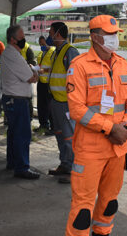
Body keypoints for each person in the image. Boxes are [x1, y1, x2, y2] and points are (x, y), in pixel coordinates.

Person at [65, 15, 127, 236]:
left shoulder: (123, 64)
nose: (114, 38)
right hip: (90, 150)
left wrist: (126, 127)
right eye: (109, 34)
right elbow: (77, 109)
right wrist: (110, 128)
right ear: (95, 37)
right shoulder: (78, 66)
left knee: (109, 204)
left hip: (118, 149)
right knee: (82, 212)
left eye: (115, 34)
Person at [1, 24, 40, 180]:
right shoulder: (13, 55)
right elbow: (31, 78)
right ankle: (22, 167)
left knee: (13, 133)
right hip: (17, 100)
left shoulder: (11, 53)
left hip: (12, 98)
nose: (24, 40)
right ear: (13, 39)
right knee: (22, 134)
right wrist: (35, 72)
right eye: (22, 37)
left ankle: (13, 162)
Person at [47, 22, 79, 183]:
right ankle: (65, 164)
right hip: (56, 101)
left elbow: (77, 79)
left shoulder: (70, 52)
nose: (49, 35)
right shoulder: (56, 52)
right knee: (60, 134)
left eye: (51, 32)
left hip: (67, 103)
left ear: (58, 34)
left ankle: (73, 170)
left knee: (69, 137)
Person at [34, 36, 55, 135]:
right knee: (41, 105)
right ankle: (43, 125)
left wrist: (45, 70)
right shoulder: (41, 53)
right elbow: (40, 65)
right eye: (40, 44)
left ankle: (53, 127)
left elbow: (55, 67)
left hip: (48, 82)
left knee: (49, 106)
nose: (41, 46)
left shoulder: (53, 52)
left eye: (43, 44)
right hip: (41, 81)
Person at [20, 42, 36, 121]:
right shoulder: (15, 49)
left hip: (27, 78)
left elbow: (32, 63)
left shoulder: (28, 50)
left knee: (28, 98)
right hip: (18, 78)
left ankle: (29, 117)